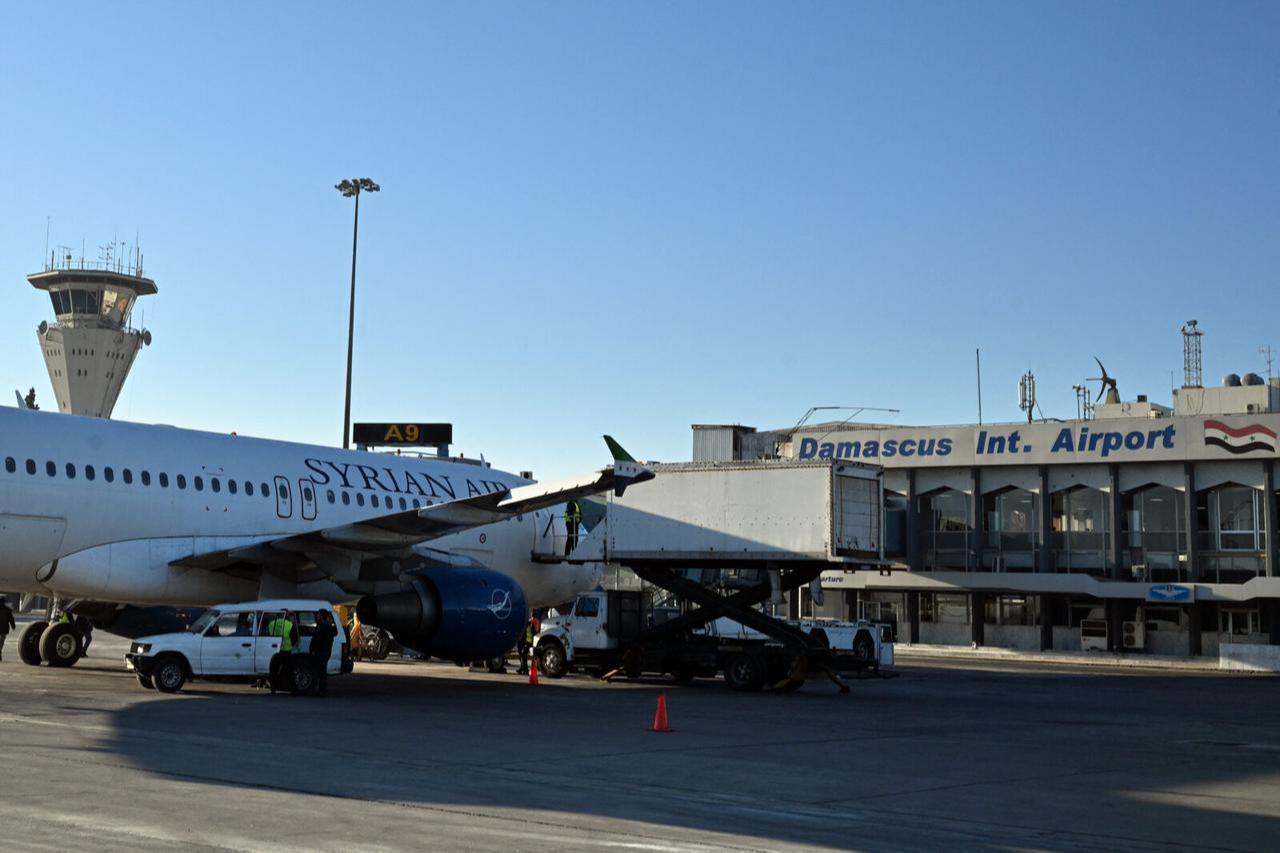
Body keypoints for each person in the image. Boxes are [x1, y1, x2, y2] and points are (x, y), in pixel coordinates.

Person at [265, 610, 298, 694]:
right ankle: (293, 689)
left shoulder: (271, 624)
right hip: (287, 651)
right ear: (286, 615)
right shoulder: (289, 625)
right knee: (289, 671)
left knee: (274, 671)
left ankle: (273, 689)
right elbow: (294, 638)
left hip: (274, 651)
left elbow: (267, 635)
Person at [309, 610, 337, 697]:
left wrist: (313, 649)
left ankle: (321, 690)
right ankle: (321, 689)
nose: (317, 616)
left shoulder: (322, 626)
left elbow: (318, 640)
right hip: (324, 651)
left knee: (320, 671)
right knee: (321, 671)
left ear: (321, 616)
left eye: (318, 615)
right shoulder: (326, 626)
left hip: (321, 652)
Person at [0, 598, 15, 662]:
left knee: (1, 642)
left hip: (4, 628)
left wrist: (13, 625)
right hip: (4, 628)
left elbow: (11, 618)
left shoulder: (7, 610)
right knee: (1, 642)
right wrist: (13, 626)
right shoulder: (7, 610)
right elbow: (11, 619)